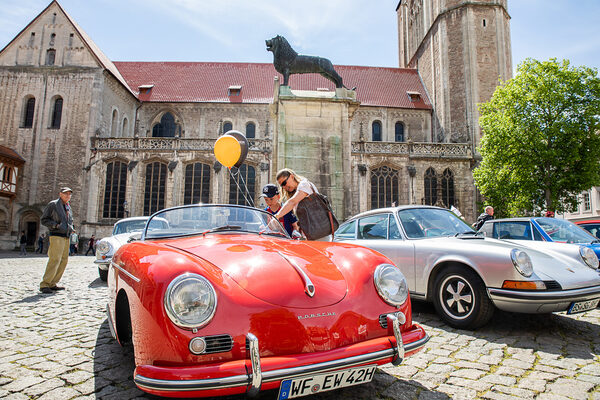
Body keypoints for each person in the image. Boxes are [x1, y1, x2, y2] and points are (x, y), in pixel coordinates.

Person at [274, 168, 332, 241]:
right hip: (312, 234)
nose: (284, 187)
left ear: (292, 176)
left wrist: (277, 216)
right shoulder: (297, 190)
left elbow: (292, 202)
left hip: (320, 233)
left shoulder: (304, 184)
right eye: (281, 186)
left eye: (284, 183)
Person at [39, 187, 74, 294]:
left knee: (63, 260)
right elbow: (44, 220)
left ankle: (53, 283)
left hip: (66, 236)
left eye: (69, 194)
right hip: (56, 235)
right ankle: (45, 284)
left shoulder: (68, 207)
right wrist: (56, 225)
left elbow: (69, 221)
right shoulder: (53, 204)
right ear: (60, 194)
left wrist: (71, 228)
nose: (68, 196)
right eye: (65, 194)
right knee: (55, 259)